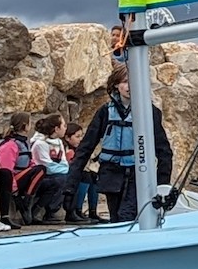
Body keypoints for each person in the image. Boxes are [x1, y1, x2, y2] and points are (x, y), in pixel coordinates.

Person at [74, 64, 175, 223]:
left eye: (134, 81)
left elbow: (164, 152)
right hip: (111, 173)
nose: (130, 86)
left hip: (139, 174)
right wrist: (71, 182)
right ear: (116, 85)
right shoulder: (105, 112)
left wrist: (162, 185)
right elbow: (86, 147)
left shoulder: (150, 112)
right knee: (115, 217)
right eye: (125, 82)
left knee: (126, 215)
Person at [65, 122, 100, 221]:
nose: (80, 139)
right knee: (85, 176)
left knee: (93, 176)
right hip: (71, 175)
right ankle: (77, 210)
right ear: (68, 138)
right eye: (77, 136)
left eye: (81, 136)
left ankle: (93, 211)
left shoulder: (80, 150)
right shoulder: (68, 150)